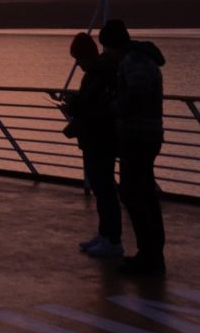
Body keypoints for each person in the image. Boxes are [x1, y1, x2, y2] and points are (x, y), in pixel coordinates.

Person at [101, 19, 168, 275]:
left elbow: (137, 96)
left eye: (107, 48)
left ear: (114, 44)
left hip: (138, 136)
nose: (107, 54)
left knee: (135, 194)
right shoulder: (139, 60)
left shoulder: (134, 62)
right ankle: (150, 254)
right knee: (142, 194)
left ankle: (150, 257)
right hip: (145, 135)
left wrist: (114, 108)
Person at [62, 31, 123, 258]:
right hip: (95, 138)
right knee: (101, 188)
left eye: (78, 59)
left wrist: (72, 106)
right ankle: (105, 234)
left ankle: (112, 239)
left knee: (105, 188)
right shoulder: (98, 73)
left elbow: (93, 106)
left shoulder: (99, 74)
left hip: (100, 138)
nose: (78, 64)